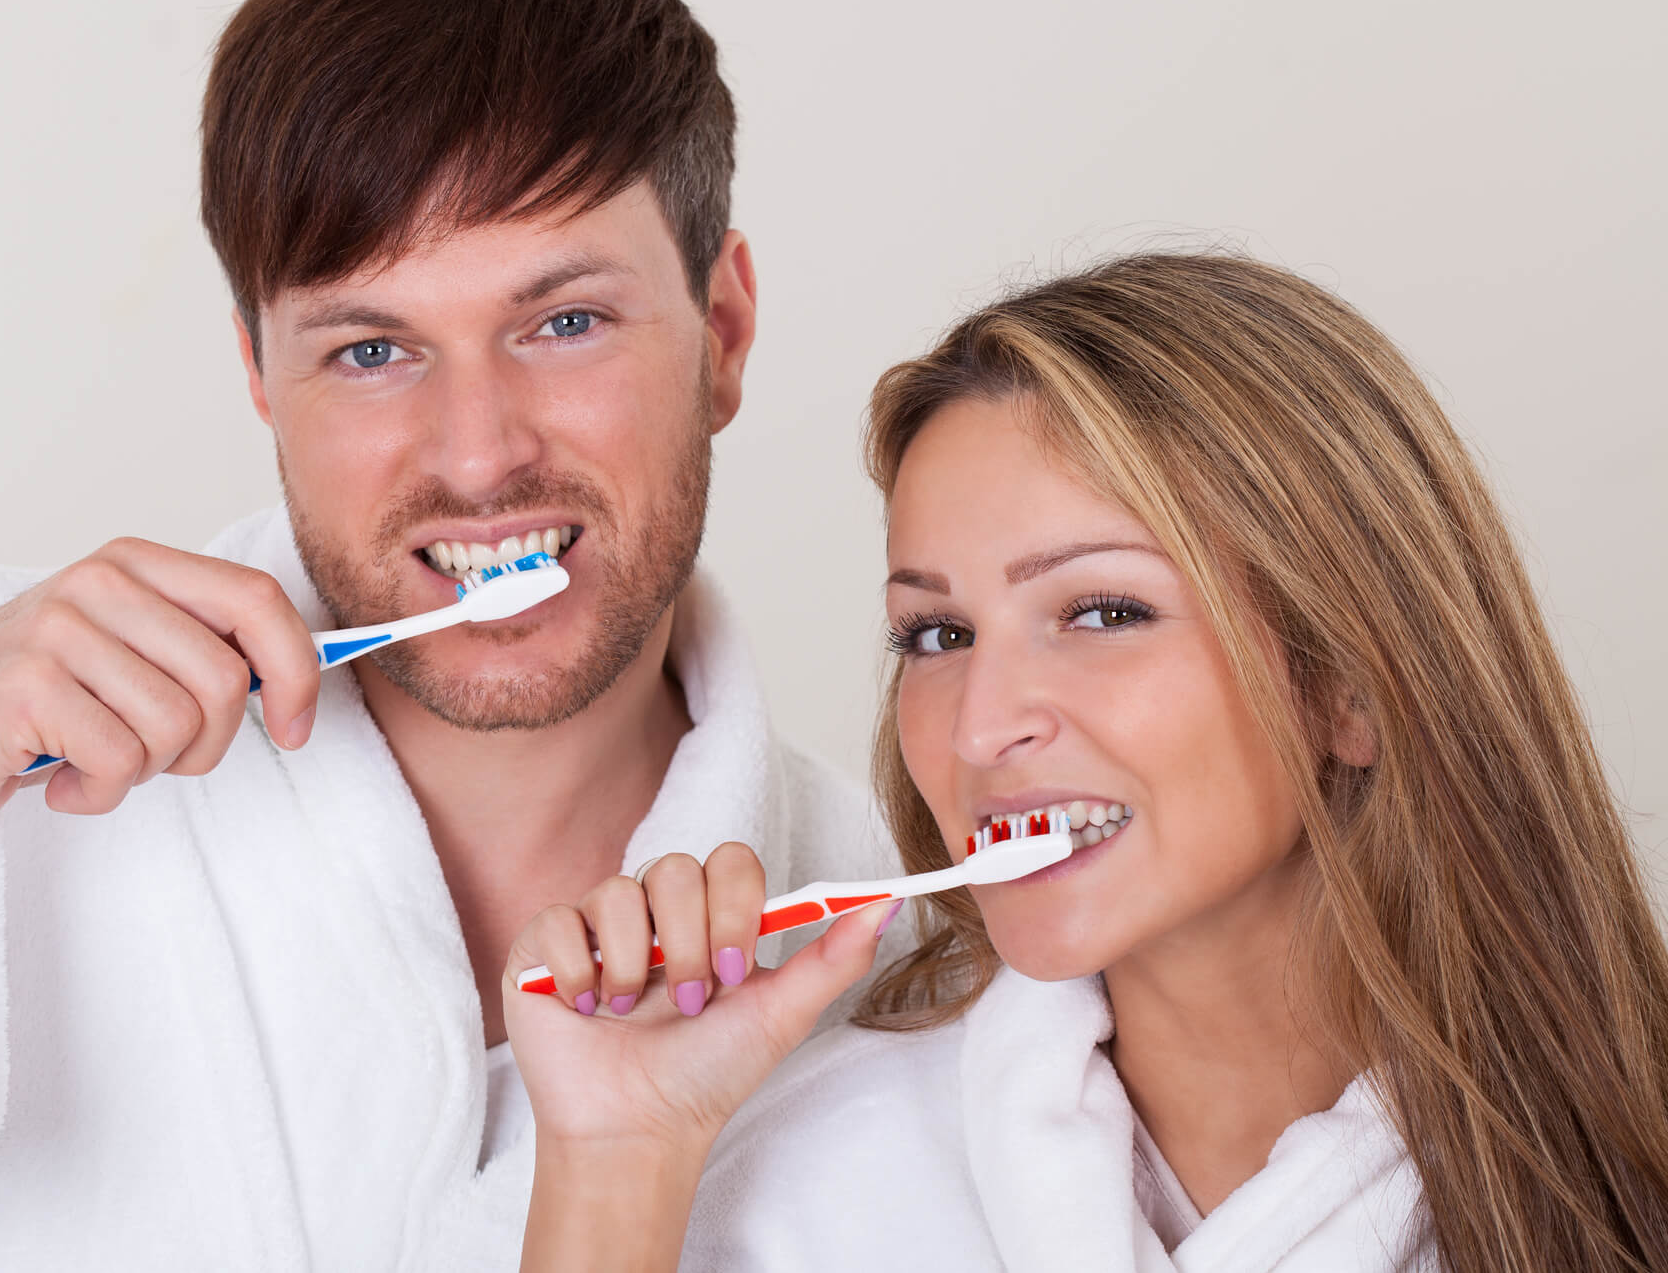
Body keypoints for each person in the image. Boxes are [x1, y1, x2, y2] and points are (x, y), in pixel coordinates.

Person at [0, 0, 895, 1268]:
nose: (479, 452)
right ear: (259, 373)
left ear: (723, 335)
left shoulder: (899, 960)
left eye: (564, 323)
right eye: (372, 349)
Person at [505, 253, 1668, 1272]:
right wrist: (613, 1173)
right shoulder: (805, 1196)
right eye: (937, 636)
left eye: (1101, 612)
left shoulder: (1622, 1165)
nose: (977, 729)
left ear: (1349, 689)